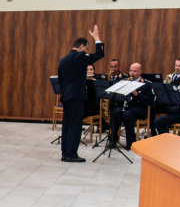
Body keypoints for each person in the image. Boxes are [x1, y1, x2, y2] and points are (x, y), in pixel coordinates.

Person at [56, 26, 104, 162]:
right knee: (75, 126)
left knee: (67, 125)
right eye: (86, 48)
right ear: (82, 46)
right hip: (76, 96)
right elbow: (99, 54)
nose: (86, 51)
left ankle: (65, 153)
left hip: (66, 96)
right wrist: (97, 39)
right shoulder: (80, 56)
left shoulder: (64, 59)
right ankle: (71, 154)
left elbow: (60, 79)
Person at [107, 62, 154, 151]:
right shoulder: (124, 81)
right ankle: (112, 140)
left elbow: (150, 100)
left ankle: (131, 143)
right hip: (125, 107)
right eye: (131, 71)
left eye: (135, 71)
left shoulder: (146, 84)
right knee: (115, 113)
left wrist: (137, 95)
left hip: (138, 109)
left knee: (127, 115)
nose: (132, 73)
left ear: (140, 72)